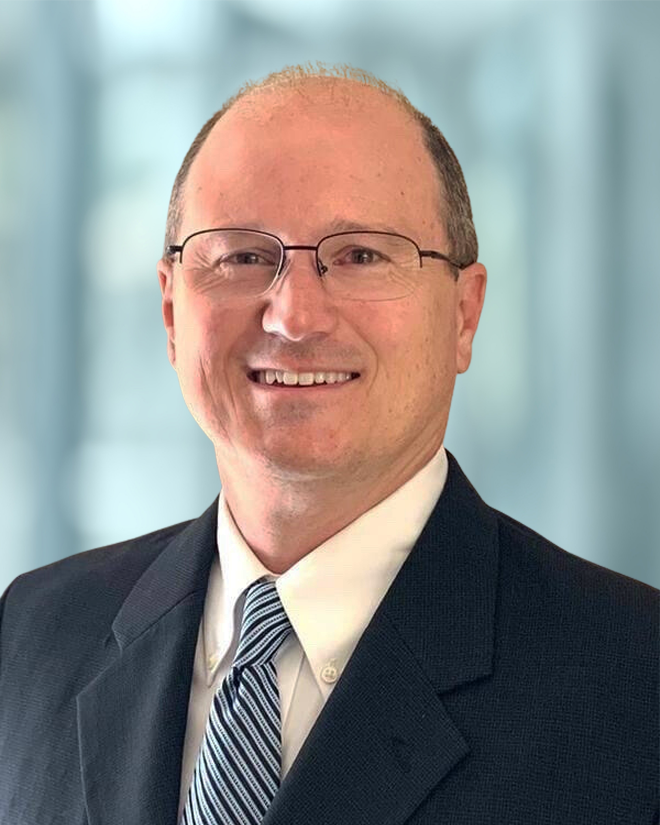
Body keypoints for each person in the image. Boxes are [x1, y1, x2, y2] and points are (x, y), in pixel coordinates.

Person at [0, 63, 657, 825]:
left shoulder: (634, 684)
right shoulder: (34, 635)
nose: (295, 316)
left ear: (464, 314)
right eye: (243, 256)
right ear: (173, 311)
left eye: (361, 256)